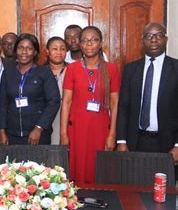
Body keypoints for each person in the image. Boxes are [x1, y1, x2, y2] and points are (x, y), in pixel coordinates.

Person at [60, 26, 120, 183]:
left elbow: (115, 103)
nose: (89, 44)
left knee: (100, 171)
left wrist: (112, 134)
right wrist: (63, 133)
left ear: (100, 43)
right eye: (85, 41)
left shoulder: (111, 69)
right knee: (77, 170)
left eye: (94, 40)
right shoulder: (72, 69)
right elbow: (66, 102)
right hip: (77, 129)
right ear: (80, 44)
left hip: (100, 129)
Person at [117, 22, 178, 162]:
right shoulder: (130, 70)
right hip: (135, 141)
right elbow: (123, 107)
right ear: (142, 40)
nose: (154, 39)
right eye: (149, 36)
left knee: (162, 184)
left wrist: (177, 145)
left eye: (159, 35)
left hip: (168, 144)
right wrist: (121, 141)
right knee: (134, 183)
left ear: (166, 39)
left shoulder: (176, 69)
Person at [0, 34, 60, 146]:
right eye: (21, 47)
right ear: (16, 50)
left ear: (35, 52)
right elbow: (2, 103)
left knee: (37, 164)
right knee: (13, 164)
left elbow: (54, 101)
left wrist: (39, 128)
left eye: (29, 48)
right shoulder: (8, 73)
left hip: (38, 135)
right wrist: (2, 131)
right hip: (12, 135)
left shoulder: (44, 72)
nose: (24, 52)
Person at [45, 37, 68, 144]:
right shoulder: (40, 71)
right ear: (47, 51)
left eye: (62, 49)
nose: (59, 52)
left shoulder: (73, 70)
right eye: (54, 49)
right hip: (47, 115)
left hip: (68, 115)